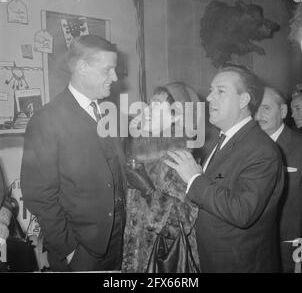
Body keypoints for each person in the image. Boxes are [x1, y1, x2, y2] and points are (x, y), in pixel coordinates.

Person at [20, 35, 126, 272]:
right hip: (80, 253)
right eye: (108, 69)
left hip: (117, 246)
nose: (115, 77)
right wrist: (69, 250)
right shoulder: (47, 120)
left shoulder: (110, 113)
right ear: (82, 67)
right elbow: (38, 195)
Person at [165, 65, 284, 272]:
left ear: (244, 100)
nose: (209, 98)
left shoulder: (261, 150)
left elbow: (242, 212)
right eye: (211, 90)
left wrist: (194, 179)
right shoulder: (219, 141)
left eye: (220, 91)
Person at [122, 82, 201, 273]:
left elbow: (182, 221)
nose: (147, 110)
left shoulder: (179, 155)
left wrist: (147, 189)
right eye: (150, 104)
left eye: (157, 105)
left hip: (164, 262)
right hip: (140, 256)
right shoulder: (144, 149)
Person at [255, 86, 302, 273]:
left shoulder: (299, 147)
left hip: (292, 244)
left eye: (266, 108)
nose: (259, 115)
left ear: (283, 111)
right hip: (256, 245)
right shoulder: (247, 148)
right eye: (256, 109)